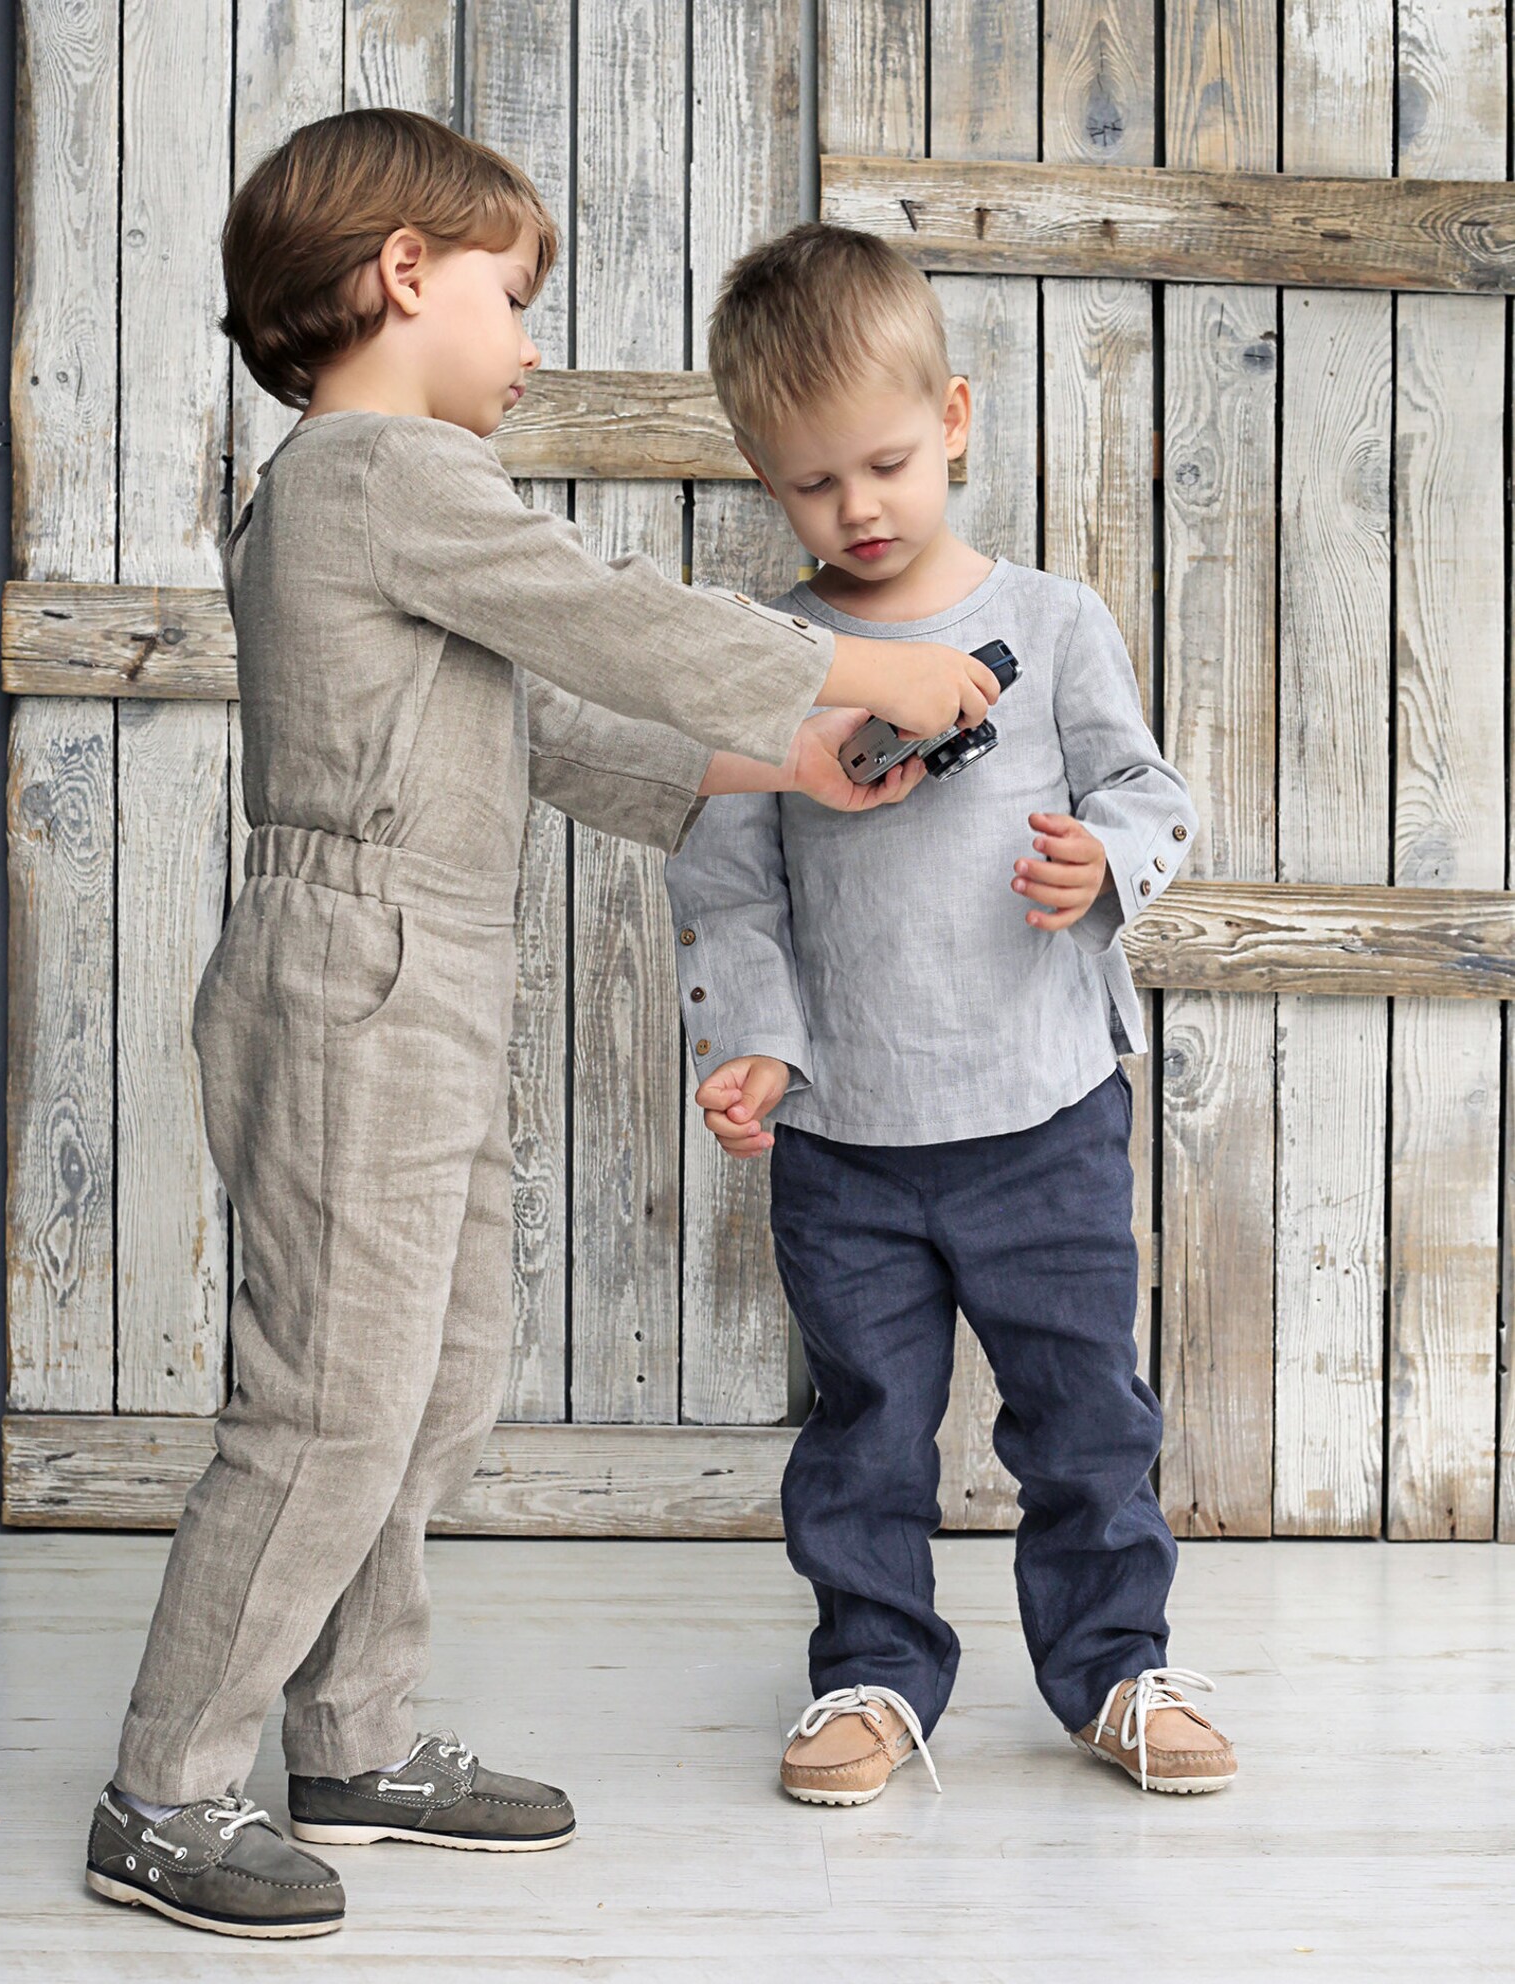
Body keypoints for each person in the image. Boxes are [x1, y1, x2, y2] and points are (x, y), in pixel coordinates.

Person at [84, 115, 1003, 1941]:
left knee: (429, 1388)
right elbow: (603, 616)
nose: (526, 344)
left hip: (424, 974)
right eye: (510, 299)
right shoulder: (374, 471)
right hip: (353, 970)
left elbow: (550, 724)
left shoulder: (399, 507)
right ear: (402, 273)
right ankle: (164, 1792)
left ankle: (351, 1738)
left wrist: (794, 759)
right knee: (330, 1401)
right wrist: (858, 663)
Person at [666, 222, 1236, 1810]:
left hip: (1043, 1111)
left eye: (888, 464)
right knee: (864, 1427)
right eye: (812, 483)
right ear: (761, 476)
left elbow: (1150, 793)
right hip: (847, 1134)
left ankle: (1115, 1665)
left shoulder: (1051, 624)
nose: (857, 507)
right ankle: (870, 1671)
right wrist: (754, 1041)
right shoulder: (770, 661)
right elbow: (730, 883)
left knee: (1084, 1412)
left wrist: (1101, 864)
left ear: (957, 421)